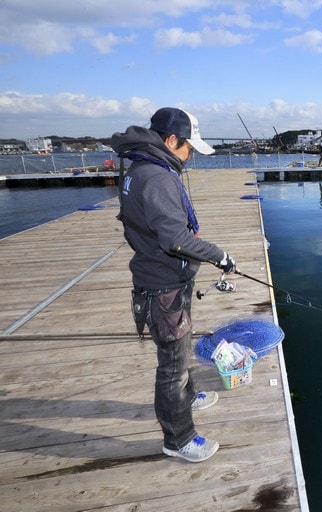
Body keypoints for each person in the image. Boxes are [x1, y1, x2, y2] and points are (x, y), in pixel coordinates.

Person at [110, 107, 236, 463]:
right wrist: (220, 256)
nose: (190, 155)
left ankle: (188, 397)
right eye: (188, 147)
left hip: (166, 277)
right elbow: (175, 239)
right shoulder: (158, 177)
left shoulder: (140, 168)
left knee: (179, 350)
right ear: (170, 140)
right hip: (162, 284)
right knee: (172, 369)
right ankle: (178, 440)